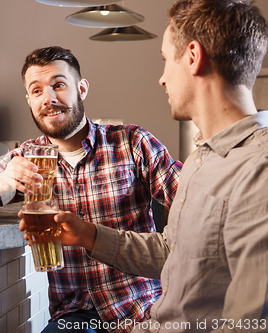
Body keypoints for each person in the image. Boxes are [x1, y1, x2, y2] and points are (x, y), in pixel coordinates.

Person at [29, 0, 268, 332]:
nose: (162, 79)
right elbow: (174, 249)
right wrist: (90, 235)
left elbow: (251, 321)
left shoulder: (259, 169)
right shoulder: (203, 158)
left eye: (165, 60)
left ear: (194, 57)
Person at [0, 45, 182, 332]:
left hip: (142, 309)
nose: (48, 98)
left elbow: (191, 199)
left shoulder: (132, 142)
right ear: (29, 100)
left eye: (58, 85)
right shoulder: (24, 159)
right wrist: (2, 181)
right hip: (72, 319)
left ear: (81, 88)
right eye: (36, 91)